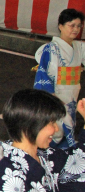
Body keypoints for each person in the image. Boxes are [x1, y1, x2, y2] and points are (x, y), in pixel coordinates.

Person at [0, 89, 85, 192]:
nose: (56, 129)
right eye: (52, 122)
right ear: (30, 126)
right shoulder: (8, 176)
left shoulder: (45, 155)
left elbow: (77, 162)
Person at [34, 9, 85, 149]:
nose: (75, 29)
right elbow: (43, 76)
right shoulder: (51, 49)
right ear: (60, 26)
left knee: (68, 130)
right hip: (56, 100)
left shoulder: (80, 47)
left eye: (79, 26)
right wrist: (49, 102)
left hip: (71, 99)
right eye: (71, 25)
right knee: (55, 133)